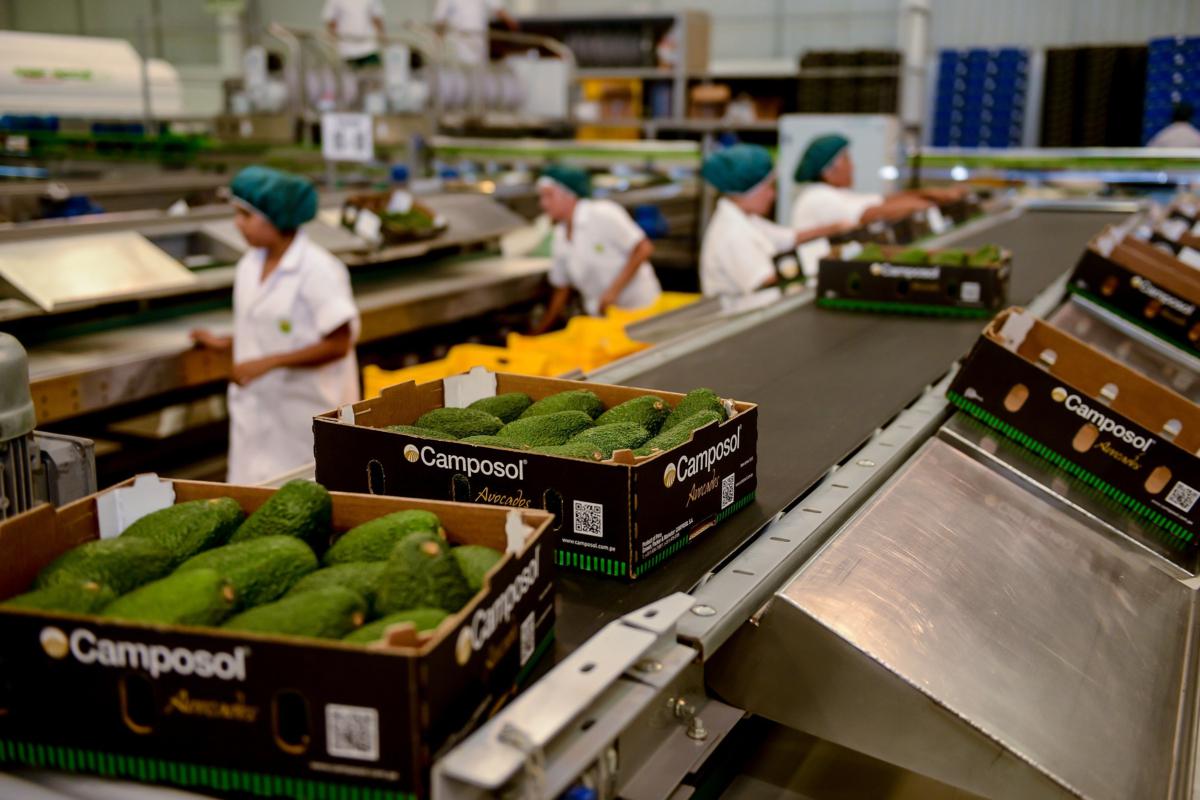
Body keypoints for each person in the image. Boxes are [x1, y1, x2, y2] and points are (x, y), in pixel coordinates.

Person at [191, 167, 360, 485]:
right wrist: (228, 342)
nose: (237, 224)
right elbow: (269, 327)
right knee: (253, 496)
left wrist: (267, 364)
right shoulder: (249, 264)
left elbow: (339, 344)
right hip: (255, 413)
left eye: (246, 215)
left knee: (304, 496)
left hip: (304, 415)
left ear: (277, 217)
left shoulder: (317, 270)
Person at [700, 144, 846, 313]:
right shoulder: (731, 233)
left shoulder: (747, 219)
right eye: (769, 187)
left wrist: (837, 227)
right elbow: (768, 280)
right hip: (744, 320)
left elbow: (790, 237)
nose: (773, 195)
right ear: (750, 190)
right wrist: (826, 265)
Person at [531, 164, 661, 335]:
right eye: (541, 197)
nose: (543, 204)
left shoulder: (603, 214)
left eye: (549, 196)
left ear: (569, 195)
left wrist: (613, 292)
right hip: (603, 319)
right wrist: (541, 330)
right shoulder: (559, 235)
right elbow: (562, 288)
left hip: (639, 310)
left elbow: (643, 248)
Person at [790, 133, 962, 231]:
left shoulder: (839, 194)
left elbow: (883, 201)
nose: (852, 167)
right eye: (847, 161)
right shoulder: (817, 197)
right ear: (828, 172)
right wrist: (923, 205)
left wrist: (929, 194)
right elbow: (870, 213)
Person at [433, 0, 517, 66]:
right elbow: (440, 20)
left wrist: (512, 24)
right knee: (461, 70)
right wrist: (437, 46)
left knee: (478, 69)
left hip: (478, 40)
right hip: (458, 42)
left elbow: (497, 8)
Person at [323, 0, 385, 69]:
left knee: (374, 73)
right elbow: (331, 21)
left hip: (369, 48)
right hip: (346, 50)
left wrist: (382, 36)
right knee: (348, 74)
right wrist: (333, 42)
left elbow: (376, 18)